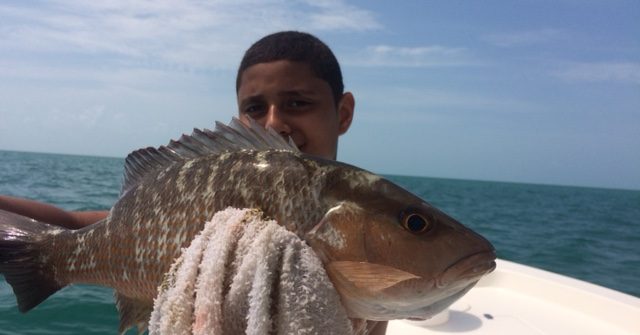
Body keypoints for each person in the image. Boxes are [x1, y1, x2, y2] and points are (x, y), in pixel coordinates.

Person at [0, 31, 386, 334]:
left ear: (344, 112)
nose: (274, 123)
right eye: (254, 108)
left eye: (297, 103)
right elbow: (82, 226)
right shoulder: (228, 183)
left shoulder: (365, 217)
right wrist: (42, 255)